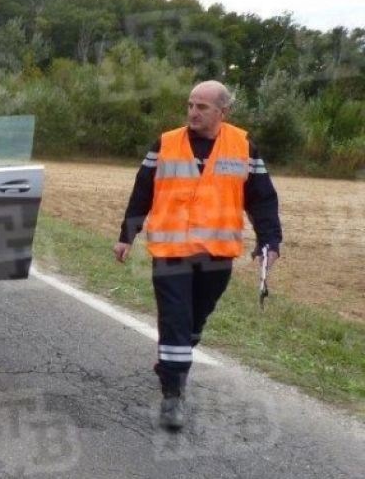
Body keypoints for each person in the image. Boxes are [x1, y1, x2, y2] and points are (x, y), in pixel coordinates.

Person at [113, 80, 282, 431]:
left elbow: (262, 198)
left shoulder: (243, 146)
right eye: (190, 104)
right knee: (175, 318)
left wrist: (270, 241)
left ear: (223, 112)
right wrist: (127, 236)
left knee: (193, 322)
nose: (193, 112)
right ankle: (172, 395)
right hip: (171, 251)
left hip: (217, 254)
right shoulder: (165, 143)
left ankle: (173, 362)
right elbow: (142, 190)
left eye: (202, 107)